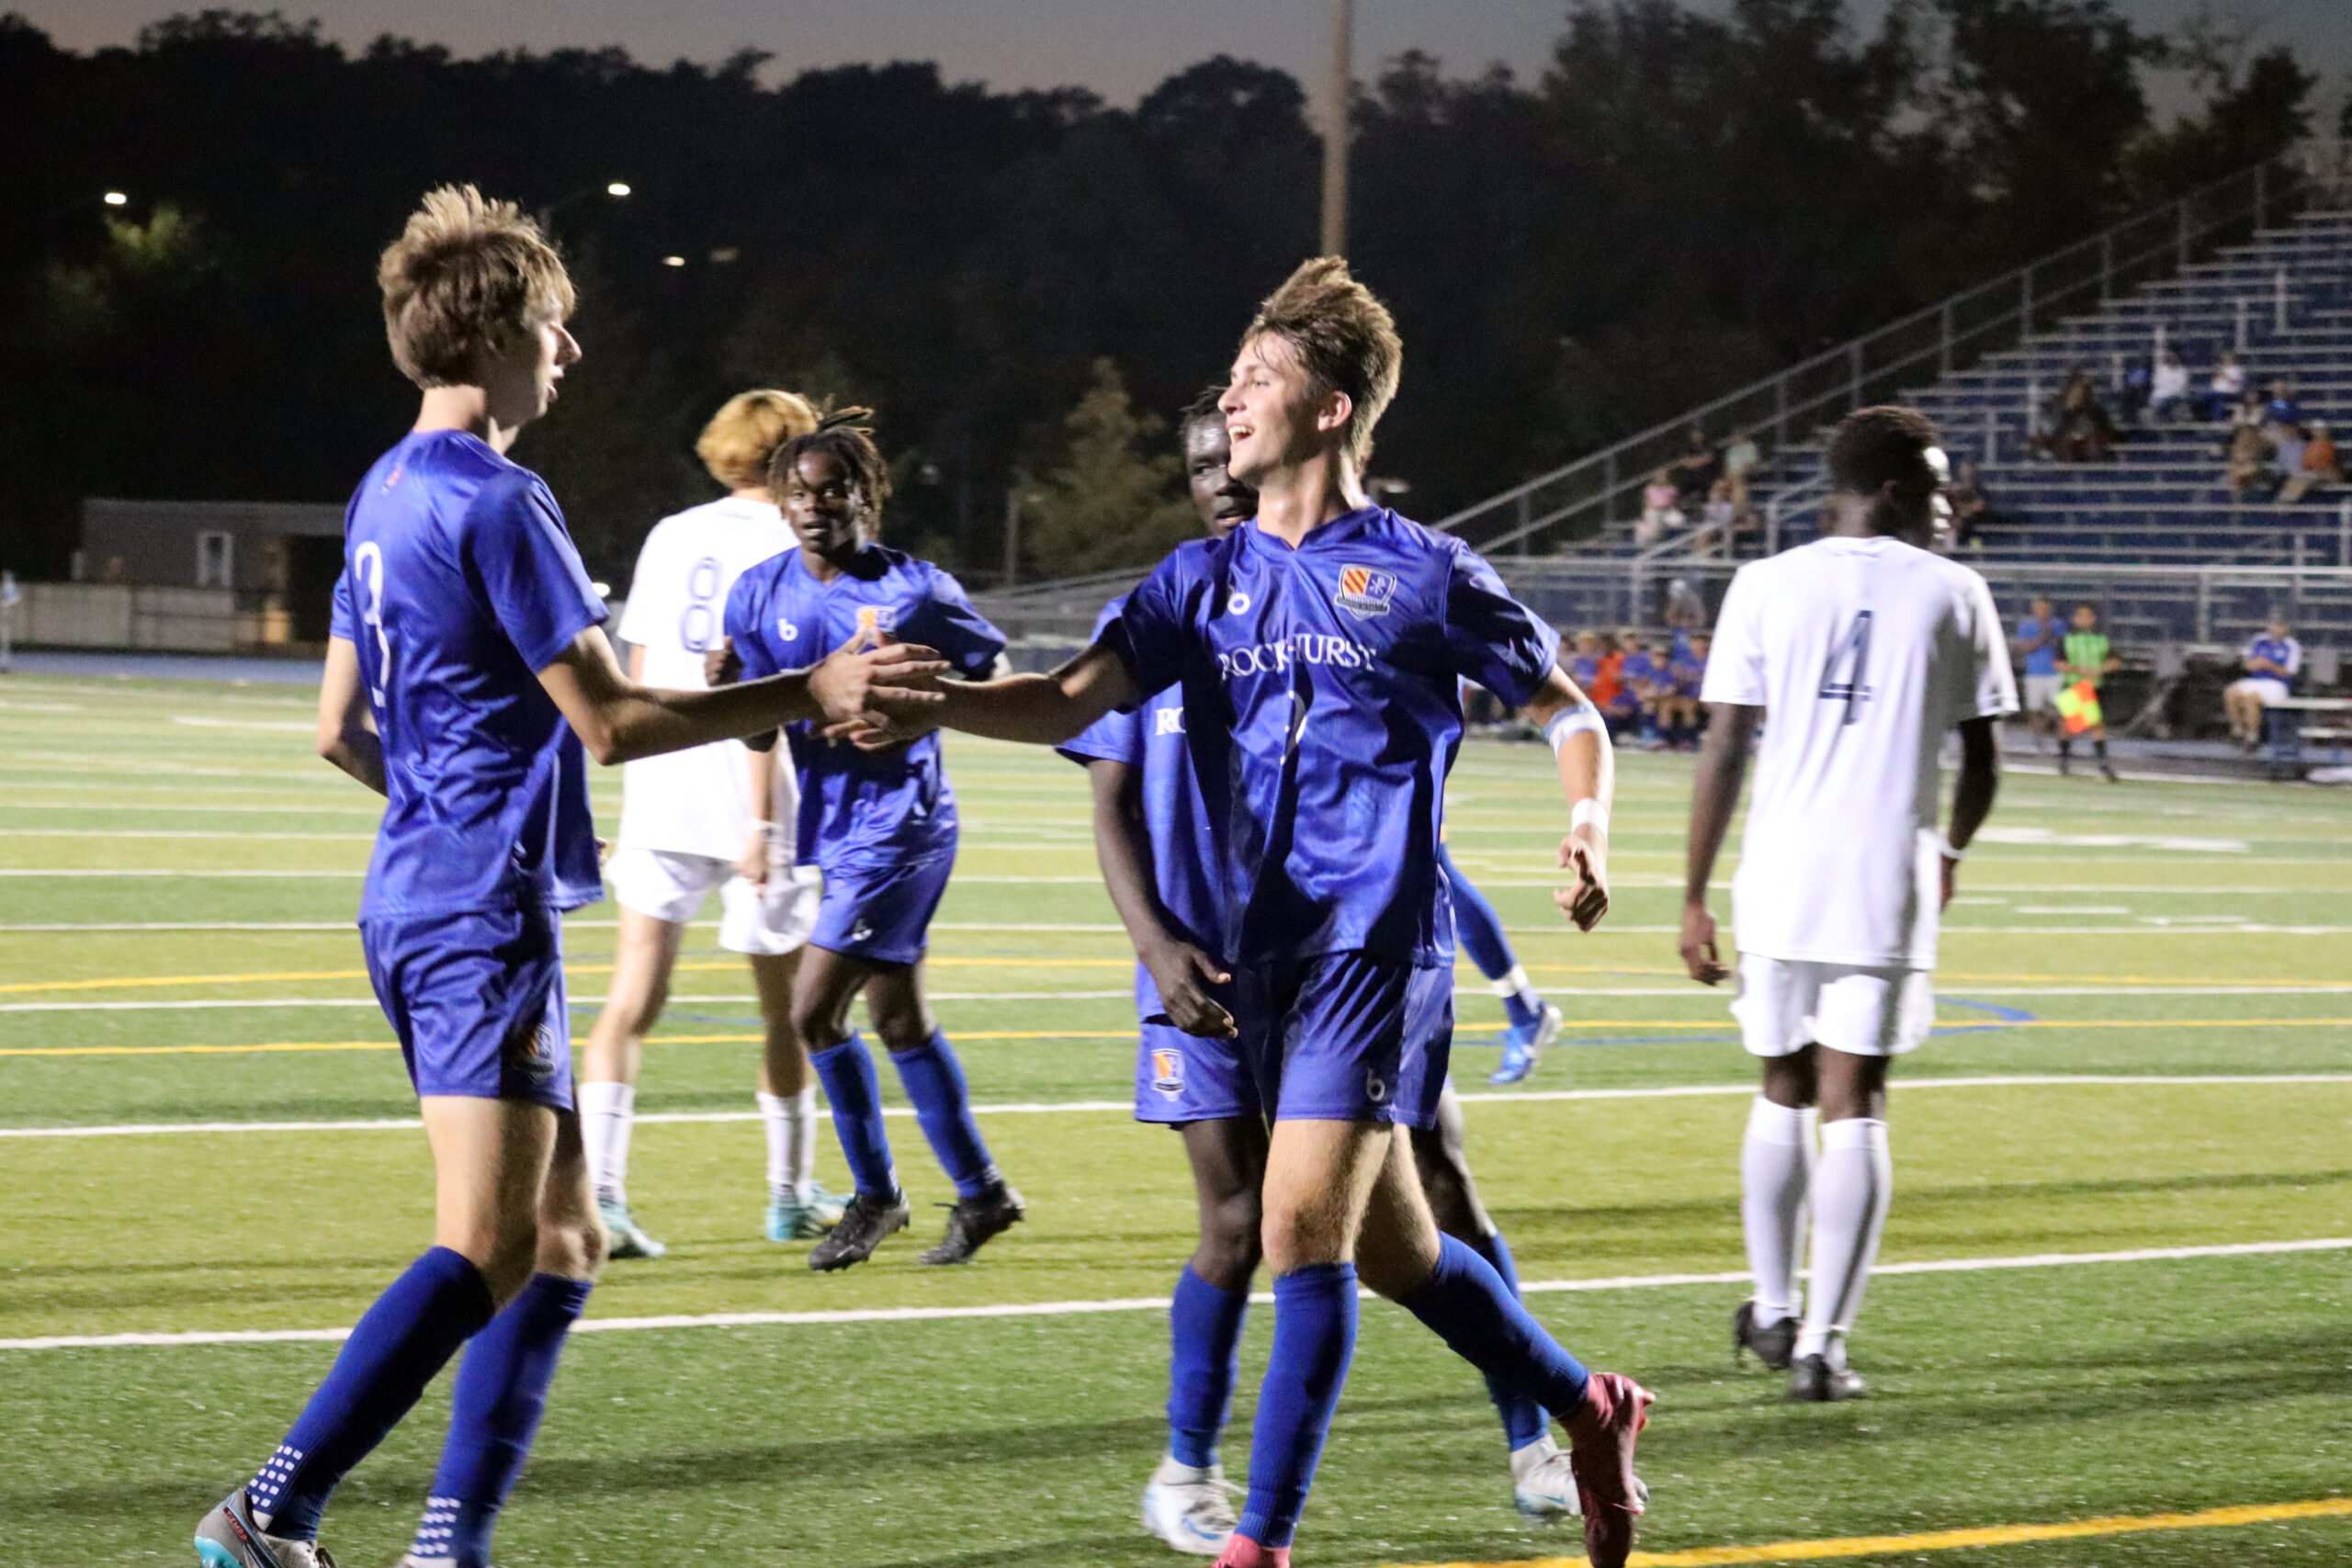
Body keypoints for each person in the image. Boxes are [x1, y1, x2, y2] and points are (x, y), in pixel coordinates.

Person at [858, 257, 1653, 1568]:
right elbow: (1065, 700)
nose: (1231, 397)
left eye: (1260, 375)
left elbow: (1567, 703)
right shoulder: (1195, 579)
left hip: (1370, 951)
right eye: (1232, 375)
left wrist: (1586, 817)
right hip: (1253, 963)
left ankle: (1261, 1544)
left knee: (1293, 1233)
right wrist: (933, 700)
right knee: (1401, 1254)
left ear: (1333, 408)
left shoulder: (1423, 572)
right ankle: (1590, 1402)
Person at [196, 186, 929, 1568]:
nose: (571, 352)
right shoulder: (499, 496)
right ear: (492, 334)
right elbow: (612, 722)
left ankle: (445, 1543)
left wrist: (466, 814)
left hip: (415, 893)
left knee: (565, 1238)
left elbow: (338, 725)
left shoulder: (382, 487)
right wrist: (810, 684)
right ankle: (272, 1502)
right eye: (554, 324)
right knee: (483, 1244)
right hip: (473, 913)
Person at [1060, 390, 1580, 1555]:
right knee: (1243, 1219)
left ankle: (1539, 1434)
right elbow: (1104, 796)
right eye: (1203, 465)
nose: (1224, 481)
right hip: (1199, 963)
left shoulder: (1362, 580)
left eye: (1233, 458)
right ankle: (1189, 1469)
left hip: (1350, 959)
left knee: (1435, 1187)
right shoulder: (1160, 607)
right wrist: (1155, 947)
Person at [1679, 405, 2012, 1403]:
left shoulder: (1763, 582)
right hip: (1883, 880)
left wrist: (1691, 896)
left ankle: (1773, 1309)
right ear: (1900, 488)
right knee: (1853, 1101)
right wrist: (1949, 848)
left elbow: (1724, 745)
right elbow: (1984, 759)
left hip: (1779, 873)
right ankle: (1824, 1346)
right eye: (1943, 485)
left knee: (1779, 1084)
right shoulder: (1956, 592)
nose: (1953, 506)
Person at [716, 422, 1028, 1270]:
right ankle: (983, 1189)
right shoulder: (755, 594)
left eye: (834, 488)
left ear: (866, 494)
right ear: (782, 502)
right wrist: (735, 694)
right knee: (898, 1019)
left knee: (813, 1011)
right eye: (802, 491)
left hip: (905, 825)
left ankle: (875, 1193)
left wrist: (927, 704)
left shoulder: (914, 589)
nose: (817, 504)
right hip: (838, 826)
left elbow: (993, 674)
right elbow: (755, 727)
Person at [577, 390, 848, 1262]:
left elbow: (640, 671)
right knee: (787, 1009)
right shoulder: (794, 540)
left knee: (632, 997)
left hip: (665, 778)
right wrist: (763, 821)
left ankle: (603, 1194)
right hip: (753, 789)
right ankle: (789, 1191)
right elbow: (780, 684)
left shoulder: (670, 533)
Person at [2057, 602, 2120, 781]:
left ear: (2093, 619)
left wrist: (2100, 669)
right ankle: (2064, 761)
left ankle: (2103, 763)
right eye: (2080, 616)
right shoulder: (2067, 639)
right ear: (2074, 619)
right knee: (2067, 725)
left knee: (2097, 725)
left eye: (2088, 616)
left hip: (2094, 688)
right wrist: (2077, 669)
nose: (2084, 620)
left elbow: (2115, 661)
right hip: (2073, 687)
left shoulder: (2102, 639)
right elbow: (2058, 662)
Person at [2223, 613, 2303, 750]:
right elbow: (2248, 664)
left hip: (2278, 684)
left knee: (2250, 698)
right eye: (2273, 624)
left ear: (2285, 628)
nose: (2276, 628)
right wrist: (2257, 664)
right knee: (2230, 692)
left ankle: (2253, 737)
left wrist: (2269, 665)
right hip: (2256, 680)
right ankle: (2238, 730)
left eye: (2279, 625)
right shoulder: (2259, 640)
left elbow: (2290, 671)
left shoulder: (2292, 646)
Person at [2013, 597, 2065, 752]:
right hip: (2035, 673)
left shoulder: (2057, 625)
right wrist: (2041, 639)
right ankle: (2037, 742)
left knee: (2059, 708)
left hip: (2055, 672)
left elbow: (2062, 645)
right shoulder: (2027, 625)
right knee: (2034, 708)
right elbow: (2025, 647)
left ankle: (2060, 740)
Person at [2280, 421, 2342, 502]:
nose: (2317, 432)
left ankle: (2284, 505)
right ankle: (2282, 505)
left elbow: (2327, 464)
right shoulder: (2310, 445)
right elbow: (2307, 463)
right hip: (2313, 473)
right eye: (2315, 430)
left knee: (2300, 481)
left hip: (2323, 474)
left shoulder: (2329, 445)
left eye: (2320, 430)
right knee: (2295, 481)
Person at [1636, 469, 1681, 547]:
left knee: (1678, 521)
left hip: (1668, 511)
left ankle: (1675, 543)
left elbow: (1675, 503)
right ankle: (1652, 540)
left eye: (1663, 476)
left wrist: (1668, 507)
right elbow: (1647, 503)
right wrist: (1657, 507)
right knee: (1653, 520)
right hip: (1654, 510)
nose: (1661, 477)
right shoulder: (1649, 489)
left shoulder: (1672, 489)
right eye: (1659, 476)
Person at [2202, 348, 2246, 422]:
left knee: (2217, 400)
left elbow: (2236, 381)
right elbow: (2214, 383)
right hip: (2217, 392)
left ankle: (2216, 420)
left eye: (2228, 358)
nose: (2225, 360)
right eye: (2224, 358)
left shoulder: (2238, 369)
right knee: (2205, 398)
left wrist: (2225, 375)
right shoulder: (2221, 369)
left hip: (2230, 393)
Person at [1721, 427, 1760, 508]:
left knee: (1737, 485)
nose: (1735, 437)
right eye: (1734, 435)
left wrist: (1739, 473)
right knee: (1719, 485)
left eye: (1738, 435)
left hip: (1742, 474)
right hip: (1730, 474)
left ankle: (1738, 510)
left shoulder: (1750, 447)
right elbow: (1727, 465)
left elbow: (1751, 464)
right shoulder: (1731, 449)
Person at [2148, 349, 2189, 423]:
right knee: (2157, 402)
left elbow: (2180, 386)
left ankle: (2166, 420)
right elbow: (2157, 383)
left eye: (2174, 359)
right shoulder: (2161, 370)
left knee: (2169, 401)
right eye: (2170, 359)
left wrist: (2169, 387)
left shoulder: (2182, 371)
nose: (2172, 360)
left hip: (2175, 396)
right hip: (2160, 395)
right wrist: (2170, 384)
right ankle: (2162, 421)